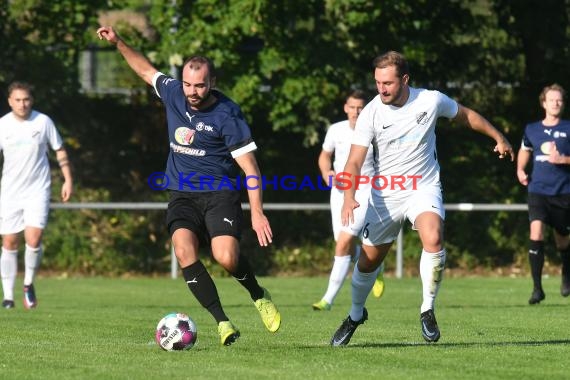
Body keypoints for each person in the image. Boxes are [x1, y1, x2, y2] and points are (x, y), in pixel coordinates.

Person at [96, 26, 280, 346]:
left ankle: (257, 293)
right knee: (184, 251)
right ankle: (223, 322)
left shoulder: (227, 114)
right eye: (188, 84)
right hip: (182, 194)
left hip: (219, 193)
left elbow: (250, 167)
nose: (192, 91)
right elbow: (144, 69)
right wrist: (118, 43)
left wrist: (257, 213)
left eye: (199, 85)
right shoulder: (173, 93)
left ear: (212, 83)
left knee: (226, 256)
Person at [330, 51, 514, 346]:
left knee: (433, 236)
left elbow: (466, 115)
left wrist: (498, 137)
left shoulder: (430, 100)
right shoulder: (372, 112)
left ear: (405, 80)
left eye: (388, 83)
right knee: (367, 263)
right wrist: (350, 196)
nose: (381, 89)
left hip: (423, 186)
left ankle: (427, 308)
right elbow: (353, 162)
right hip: (385, 193)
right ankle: (354, 315)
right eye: (377, 82)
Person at [0, 81, 73, 309]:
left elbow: (59, 149)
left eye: (26, 99)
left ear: (32, 100)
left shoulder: (43, 122)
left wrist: (68, 179)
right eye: (18, 100)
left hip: (37, 190)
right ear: (10, 101)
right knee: (10, 242)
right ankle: (8, 296)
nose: (23, 104)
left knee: (34, 238)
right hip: (10, 192)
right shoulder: (3, 125)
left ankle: (28, 284)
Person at [312, 90, 385, 311]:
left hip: (364, 190)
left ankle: (328, 299)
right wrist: (327, 172)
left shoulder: (374, 130)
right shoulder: (336, 129)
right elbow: (325, 155)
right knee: (344, 245)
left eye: (360, 107)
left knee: (343, 242)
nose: (356, 111)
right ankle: (376, 266)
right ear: (346, 108)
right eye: (352, 107)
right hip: (339, 192)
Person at [517, 83, 570, 305]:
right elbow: (524, 150)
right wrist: (520, 169)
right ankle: (537, 289)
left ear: (562, 103)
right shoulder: (532, 129)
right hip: (538, 190)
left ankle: (567, 275)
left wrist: (563, 160)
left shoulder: (569, 128)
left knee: (563, 240)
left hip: (564, 192)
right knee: (536, 232)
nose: (556, 103)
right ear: (544, 103)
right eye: (552, 100)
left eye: (559, 100)